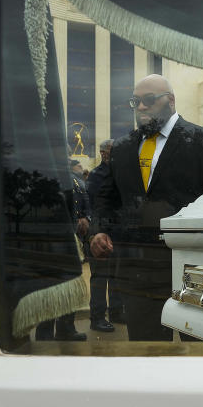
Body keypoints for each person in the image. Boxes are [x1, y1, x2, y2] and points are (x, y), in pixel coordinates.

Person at [90, 75, 203, 341]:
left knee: (200, 353)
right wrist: (98, 232)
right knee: (148, 356)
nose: (141, 107)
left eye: (148, 100)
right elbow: (106, 200)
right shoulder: (121, 148)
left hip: (194, 268)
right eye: (136, 102)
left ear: (170, 100)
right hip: (138, 271)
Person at [35, 158, 90, 341]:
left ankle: (66, 329)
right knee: (50, 287)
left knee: (71, 283)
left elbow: (83, 201)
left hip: (69, 236)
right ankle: (45, 333)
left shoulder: (74, 180)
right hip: (50, 237)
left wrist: (85, 217)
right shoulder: (42, 177)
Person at [86, 139, 123, 333]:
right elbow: (92, 204)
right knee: (100, 277)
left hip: (117, 231)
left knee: (116, 276)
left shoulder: (119, 172)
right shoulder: (96, 175)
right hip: (99, 231)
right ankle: (97, 318)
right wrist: (96, 232)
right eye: (110, 151)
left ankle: (117, 312)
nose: (113, 154)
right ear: (102, 153)